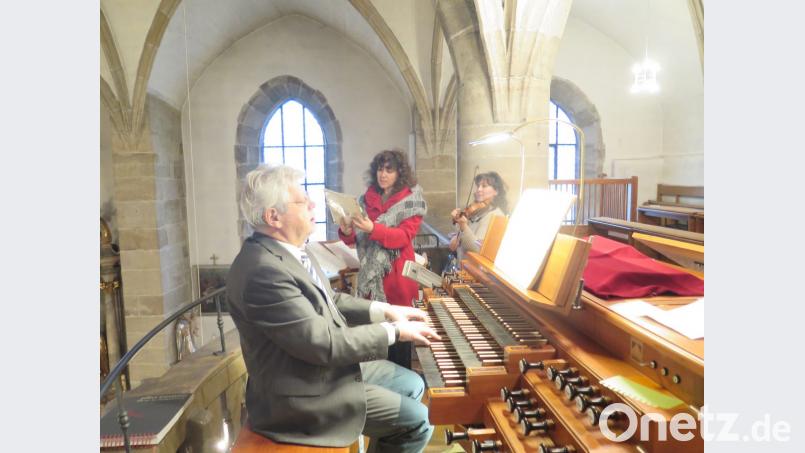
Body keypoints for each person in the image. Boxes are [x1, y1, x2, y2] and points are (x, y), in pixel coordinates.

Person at [227, 164, 439, 452]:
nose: (313, 204)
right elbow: (324, 344)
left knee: (412, 383)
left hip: (316, 372)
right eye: (302, 201)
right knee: (420, 421)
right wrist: (395, 331)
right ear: (273, 216)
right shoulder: (263, 271)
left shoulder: (290, 249)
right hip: (300, 397)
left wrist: (387, 310)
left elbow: (331, 300)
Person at [339, 149, 427, 369]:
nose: (383, 174)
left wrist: (373, 229)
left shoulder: (411, 202)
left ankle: (402, 391)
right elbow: (353, 239)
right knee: (375, 343)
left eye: (389, 169)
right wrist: (346, 229)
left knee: (399, 343)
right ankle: (379, 389)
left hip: (396, 278)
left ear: (400, 173)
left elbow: (402, 237)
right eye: (380, 169)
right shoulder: (365, 199)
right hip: (371, 280)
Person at [449, 171, 509, 264]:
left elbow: (477, 249)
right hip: (464, 268)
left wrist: (463, 225)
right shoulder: (477, 212)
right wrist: (456, 235)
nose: (479, 189)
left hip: (478, 273)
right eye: (478, 186)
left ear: (496, 191)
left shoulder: (496, 216)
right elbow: (462, 237)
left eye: (484, 186)